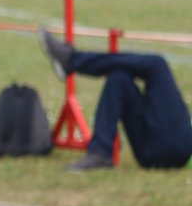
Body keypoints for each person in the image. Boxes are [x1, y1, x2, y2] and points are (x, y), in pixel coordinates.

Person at [38, 29, 192, 172]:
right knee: (119, 79)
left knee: (157, 65)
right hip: (152, 152)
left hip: (177, 146)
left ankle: (72, 60)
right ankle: (100, 154)